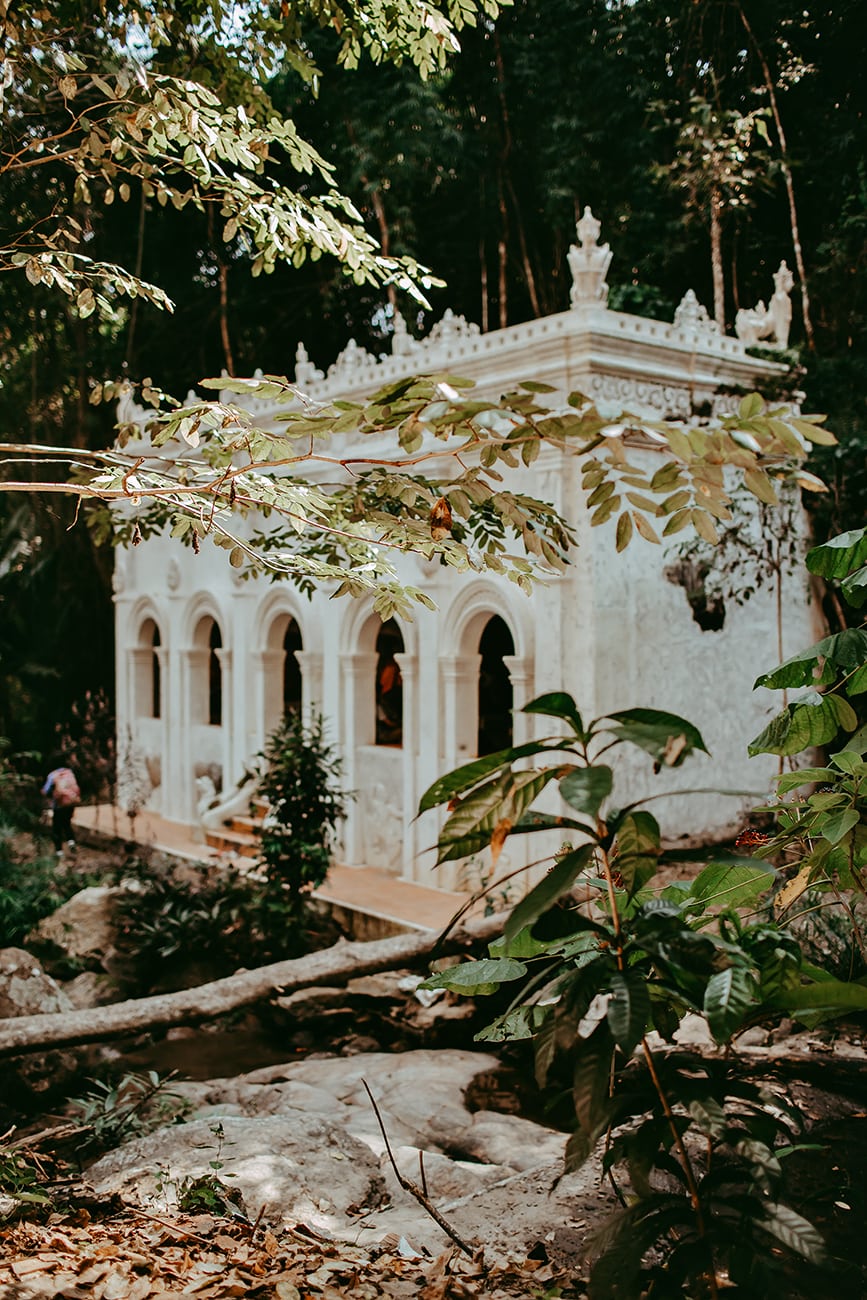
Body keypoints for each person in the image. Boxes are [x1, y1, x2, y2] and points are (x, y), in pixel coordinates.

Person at [42, 756, 80, 854]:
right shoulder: (69, 772)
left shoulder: (52, 775)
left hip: (58, 805)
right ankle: (71, 842)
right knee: (66, 823)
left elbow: (46, 790)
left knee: (56, 828)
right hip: (70, 803)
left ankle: (59, 852)